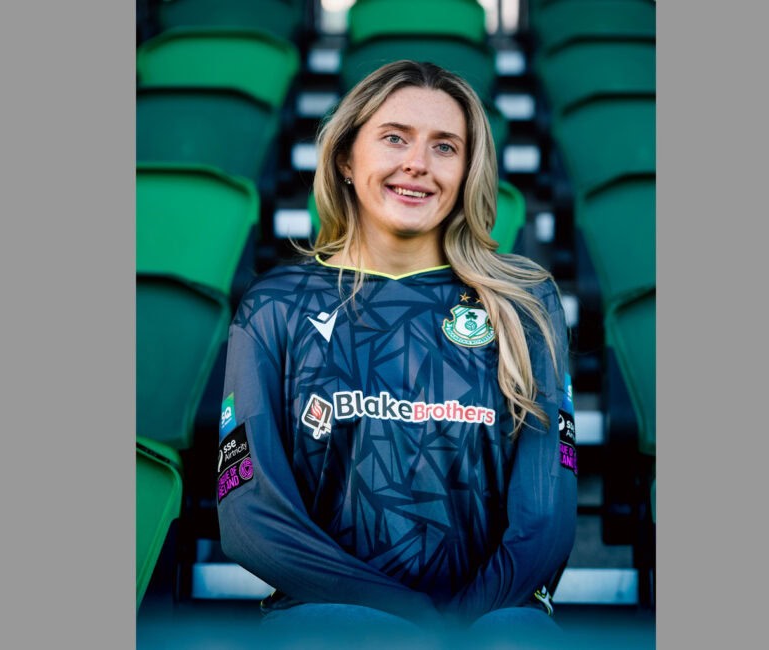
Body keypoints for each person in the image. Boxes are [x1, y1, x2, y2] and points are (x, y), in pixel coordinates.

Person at [215, 60, 577, 646]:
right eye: (394, 138)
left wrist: (456, 625)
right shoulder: (275, 307)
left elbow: (546, 516)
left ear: (467, 170)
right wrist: (406, 621)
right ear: (344, 160)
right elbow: (252, 516)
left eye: (445, 147)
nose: (417, 163)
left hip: (493, 616)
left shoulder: (524, 302)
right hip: (328, 616)